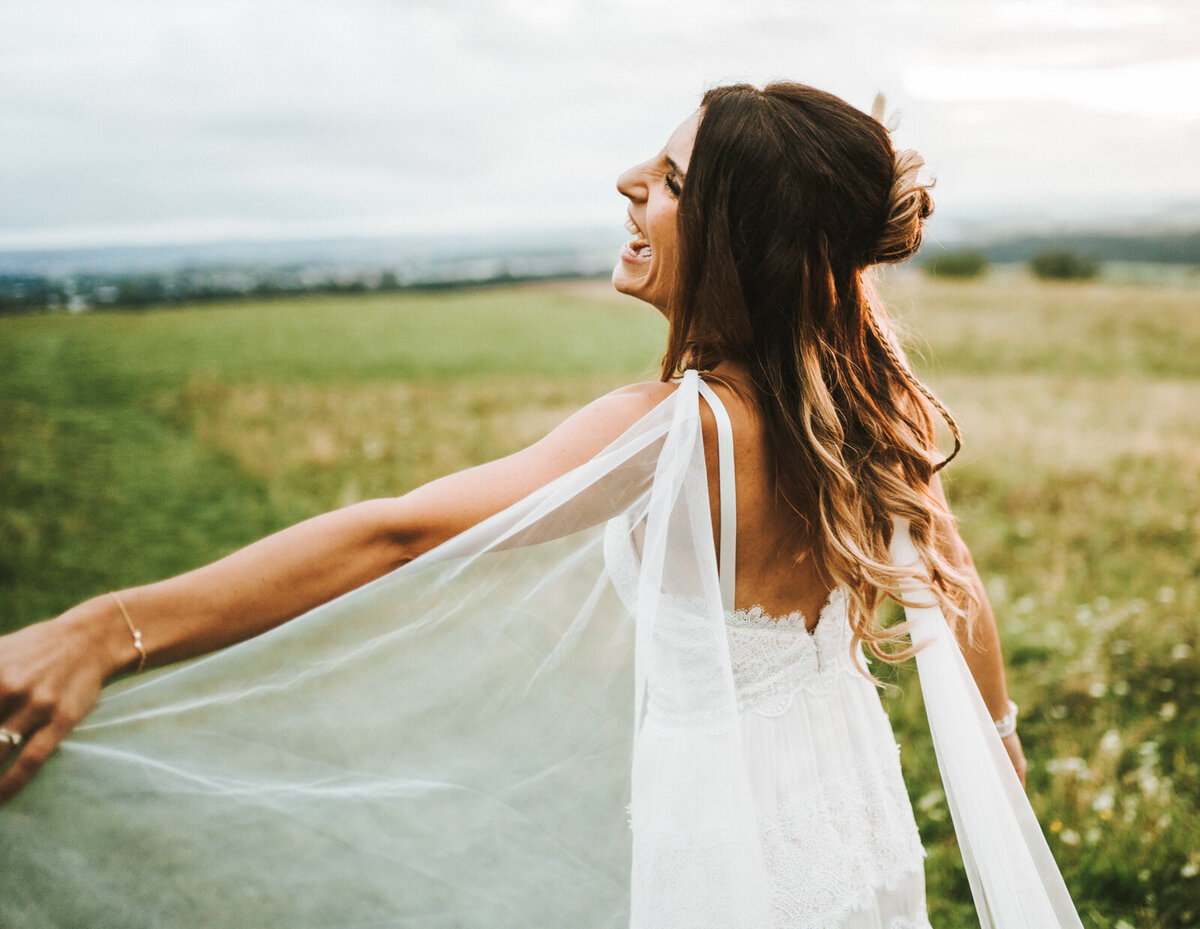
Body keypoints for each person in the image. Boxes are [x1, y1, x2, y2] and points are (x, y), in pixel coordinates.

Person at [0, 83, 1080, 928]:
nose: (626, 184)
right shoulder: (866, 404)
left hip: (721, 832)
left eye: (663, 177)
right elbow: (958, 583)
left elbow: (400, 530)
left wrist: (108, 627)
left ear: (731, 232)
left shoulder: (677, 429)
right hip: (850, 809)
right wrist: (1000, 743)